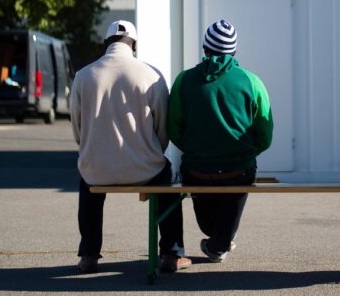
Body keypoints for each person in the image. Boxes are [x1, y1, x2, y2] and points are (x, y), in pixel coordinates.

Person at [71, 20, 189, 274]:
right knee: (166, 178)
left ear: (106, 44)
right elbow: (162, 129)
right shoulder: (151, 74)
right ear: (134, 44)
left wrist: (91, 149)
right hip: (144, 169)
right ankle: (171, 253)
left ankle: (89, 254)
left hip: (97, 168)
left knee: (87, 182)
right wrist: (152, 150)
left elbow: (77, 128)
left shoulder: (84, 76)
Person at [167, 19, 273, 262]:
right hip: (239, 171)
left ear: (205, 48)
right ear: (233, 50)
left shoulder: (184, 80)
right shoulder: (252, 81)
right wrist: (248, 152)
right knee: (219, 237)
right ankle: (219, 243)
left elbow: (174, 128)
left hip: (196, 170)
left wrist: (198, 150)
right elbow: (265, 132)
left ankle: (219, 241)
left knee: (209, 227)